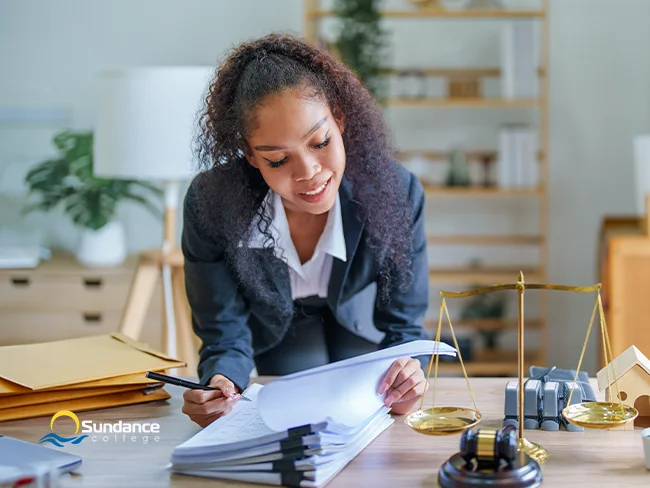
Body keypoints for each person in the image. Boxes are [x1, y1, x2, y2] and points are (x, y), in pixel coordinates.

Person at [181, 33, 431, 428]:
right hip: (276, 330)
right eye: (278, 160)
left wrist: (408, 375)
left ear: (339, 117)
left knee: (363, 394)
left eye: (320, 142)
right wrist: (220, 382)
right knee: (296, 388)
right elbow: (223, 332)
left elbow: (404, 326)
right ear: (250, 154)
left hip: (357, 321)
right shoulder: (210, 203)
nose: (309, 173)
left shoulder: (396, 192)